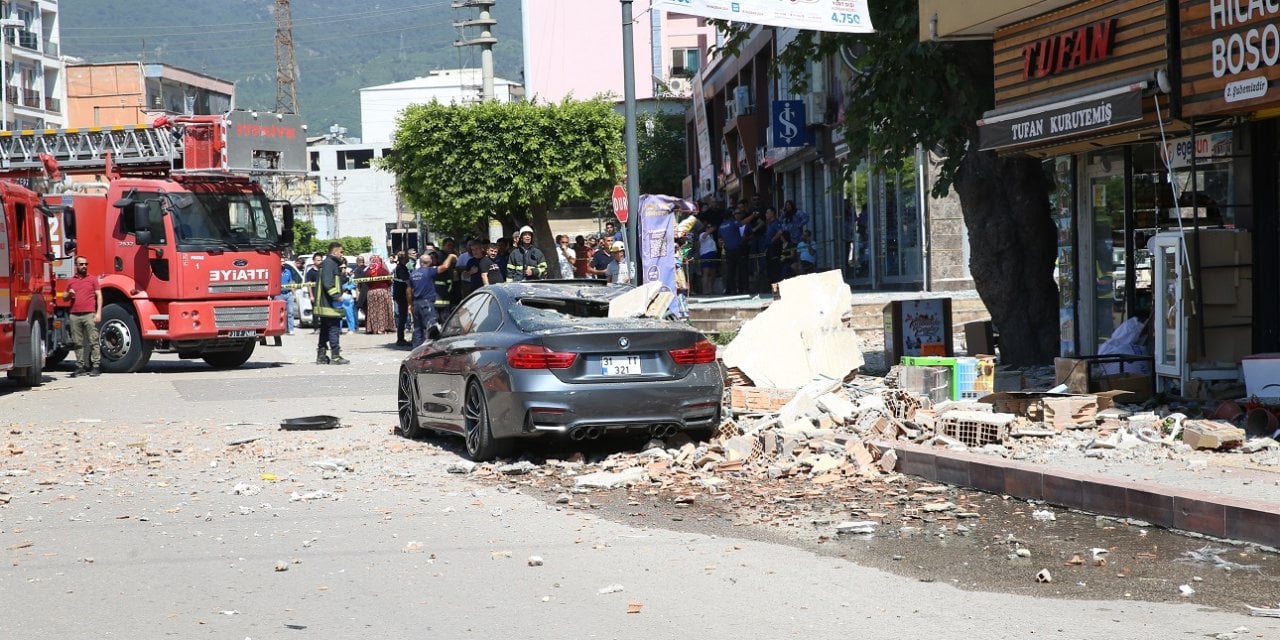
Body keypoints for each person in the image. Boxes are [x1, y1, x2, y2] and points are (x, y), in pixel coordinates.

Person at [411, 251, 457, 348]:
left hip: (416, 303)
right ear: (430, 262)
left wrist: (410, 304)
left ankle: (416, 350)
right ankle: (428, 349)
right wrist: (450, 256)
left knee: (417, 328)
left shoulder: (413, 274)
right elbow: (444, 267)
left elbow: (408, 290)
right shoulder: (429, 271)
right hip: (426, 303)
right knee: (430, 326)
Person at [66, 256, 103, 377]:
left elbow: (99, 296)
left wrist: (98, 313)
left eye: (86, 264)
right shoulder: (71, 281)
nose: (84, 266)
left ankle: (96, 365)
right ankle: (80, 366)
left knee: (93, 340)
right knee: (77, 342)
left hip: (89, 314)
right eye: (81, 264)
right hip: (74, 315)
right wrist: (69, 294)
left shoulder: (92, 279)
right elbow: (65, 297)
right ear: (76, 266)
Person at [315, 242, 350, 365]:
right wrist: (337, 296)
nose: (342, 254)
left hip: (325, 304)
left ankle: (321, 356)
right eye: (341, 252)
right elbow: (327, 283)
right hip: (329, 304)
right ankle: (335, 356)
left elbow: (334, 280)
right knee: (334, 329)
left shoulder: (330, 263)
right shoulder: (330, 263)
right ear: (335, 252)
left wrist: (344, 277)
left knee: (325, 330)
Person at [364, 255, 395, 334]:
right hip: (382, 292)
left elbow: (367, 283)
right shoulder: (383, 271)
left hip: (371, 293)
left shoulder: (368, 272)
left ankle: (373, 328)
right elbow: (389, 282)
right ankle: (383, 328)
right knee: (383, 310)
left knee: (373, 311)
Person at [392, 249, 414, 346]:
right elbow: (407, 281)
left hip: (399, 294)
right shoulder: (401, 268)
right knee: (402, 317)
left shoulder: (400, 267)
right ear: (404, 258)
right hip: (402, 295)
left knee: (403, 317)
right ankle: (400, 339)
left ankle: (401, 338)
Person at [279, 260, 296, 335]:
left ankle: (291, 329)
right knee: (280, 313)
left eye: (284, 261)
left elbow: (291, 282)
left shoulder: (288, 271)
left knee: (290, 312)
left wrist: (293, 294)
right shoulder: (275, 271)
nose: (283, 263)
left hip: (288, 294)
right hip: (279, 295)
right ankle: (281, 329)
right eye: (281, 261)